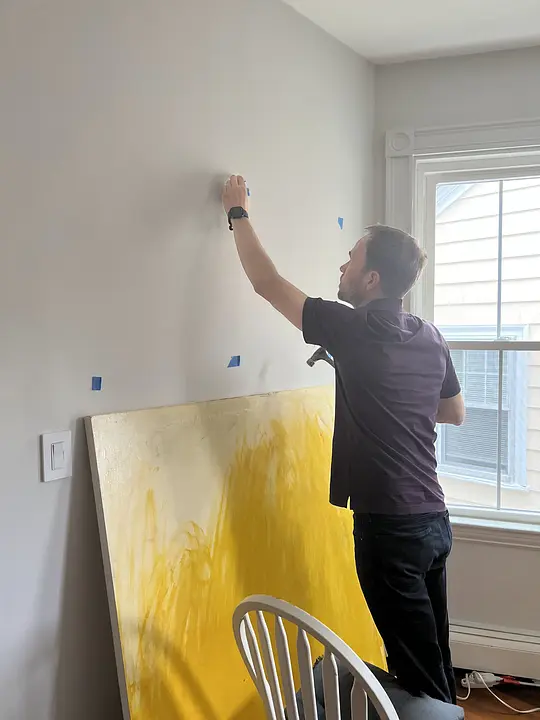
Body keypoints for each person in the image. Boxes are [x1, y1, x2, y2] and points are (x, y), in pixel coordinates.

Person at [222, 175, 465, 705]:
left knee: (418, 674)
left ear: (371, 278)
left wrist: (237, 213)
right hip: (433, 522)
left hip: (389, 529)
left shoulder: (350, 328)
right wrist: (386, 391)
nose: (342, 266)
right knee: (434, 659)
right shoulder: (430, 335)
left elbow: (267, 283)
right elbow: (454, 413)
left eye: (351, 259)